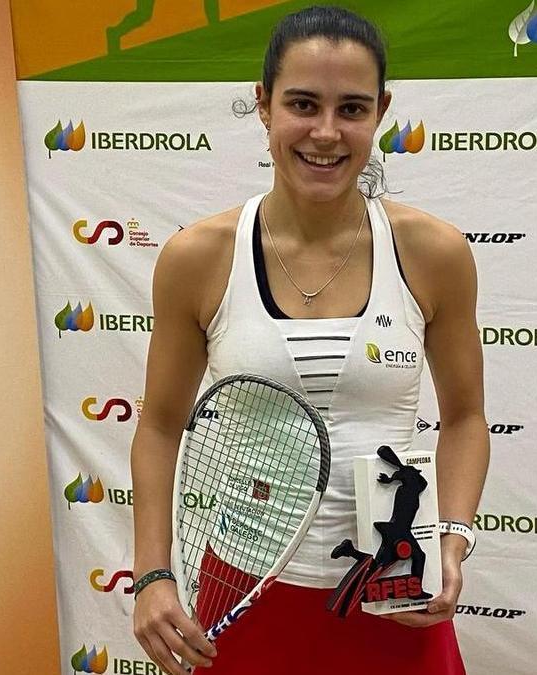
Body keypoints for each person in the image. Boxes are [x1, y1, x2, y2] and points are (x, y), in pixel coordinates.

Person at [129, 6, 489, 674]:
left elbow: (466, 416)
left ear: (381, 111)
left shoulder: (433, 252)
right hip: (249, 592)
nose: (326, 132)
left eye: (352, 108)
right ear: (263, 106)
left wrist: (452, 539)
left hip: (392, 595)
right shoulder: (198, 257)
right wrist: (152, 573)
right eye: (303, 103)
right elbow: (158, 426)